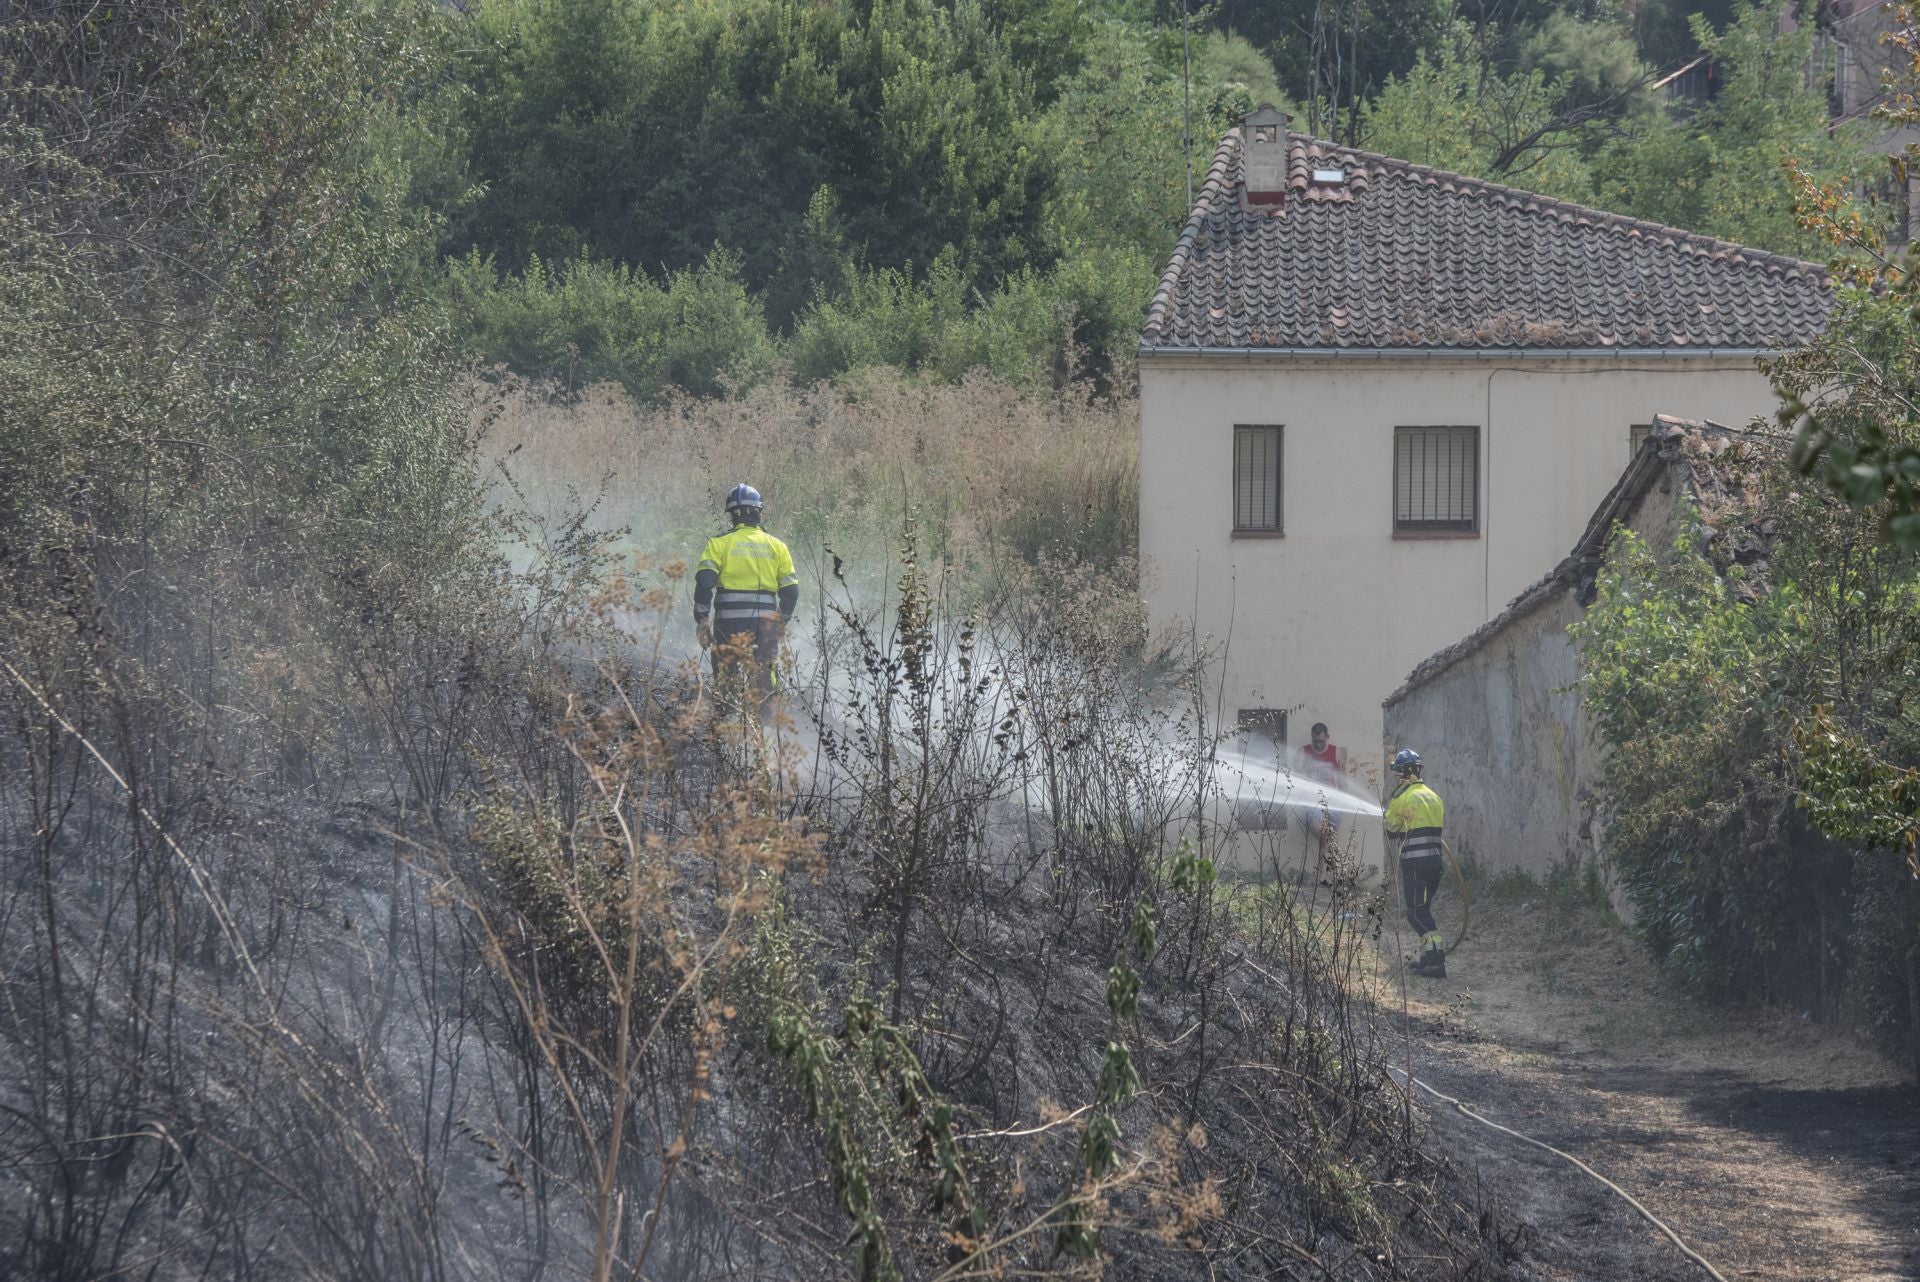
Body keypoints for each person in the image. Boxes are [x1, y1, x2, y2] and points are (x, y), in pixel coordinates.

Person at [693, 484, 798, 719]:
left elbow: (705, 582)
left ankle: (725, 739)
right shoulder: (778, 546)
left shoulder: (718, 543)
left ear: (732, 515)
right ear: (758, 512)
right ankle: (766, 739)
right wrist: (781, 621)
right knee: (764, 683)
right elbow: (791, 591)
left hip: (727, 626)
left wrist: (702, 619)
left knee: (725, 681)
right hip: (766, 627)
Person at [1383, 747, 1448, 978]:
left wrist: (1389, 811)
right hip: (1435, 864)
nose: (1396, 777)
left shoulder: (1404, 797)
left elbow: (1390, 830)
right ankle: (1428, 958)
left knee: (1416, 913)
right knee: (1423, 910)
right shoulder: (1434, 796)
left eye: (1397, 773)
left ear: (1405, 773)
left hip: (1415, 866)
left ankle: (1435, 960)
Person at [1295, 722, 1343, 871]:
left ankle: (1323, 876)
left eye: (1321, 741)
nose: (1317, 744)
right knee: (1324, 832)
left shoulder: (1336, 752)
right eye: (1314, 740)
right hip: (1313, 802)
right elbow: (1295, 777)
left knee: (1327, 840)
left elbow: (1342, 778)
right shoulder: (1303, 752)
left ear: (1327, 737)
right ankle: (1324, 874)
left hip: (1333, 803)